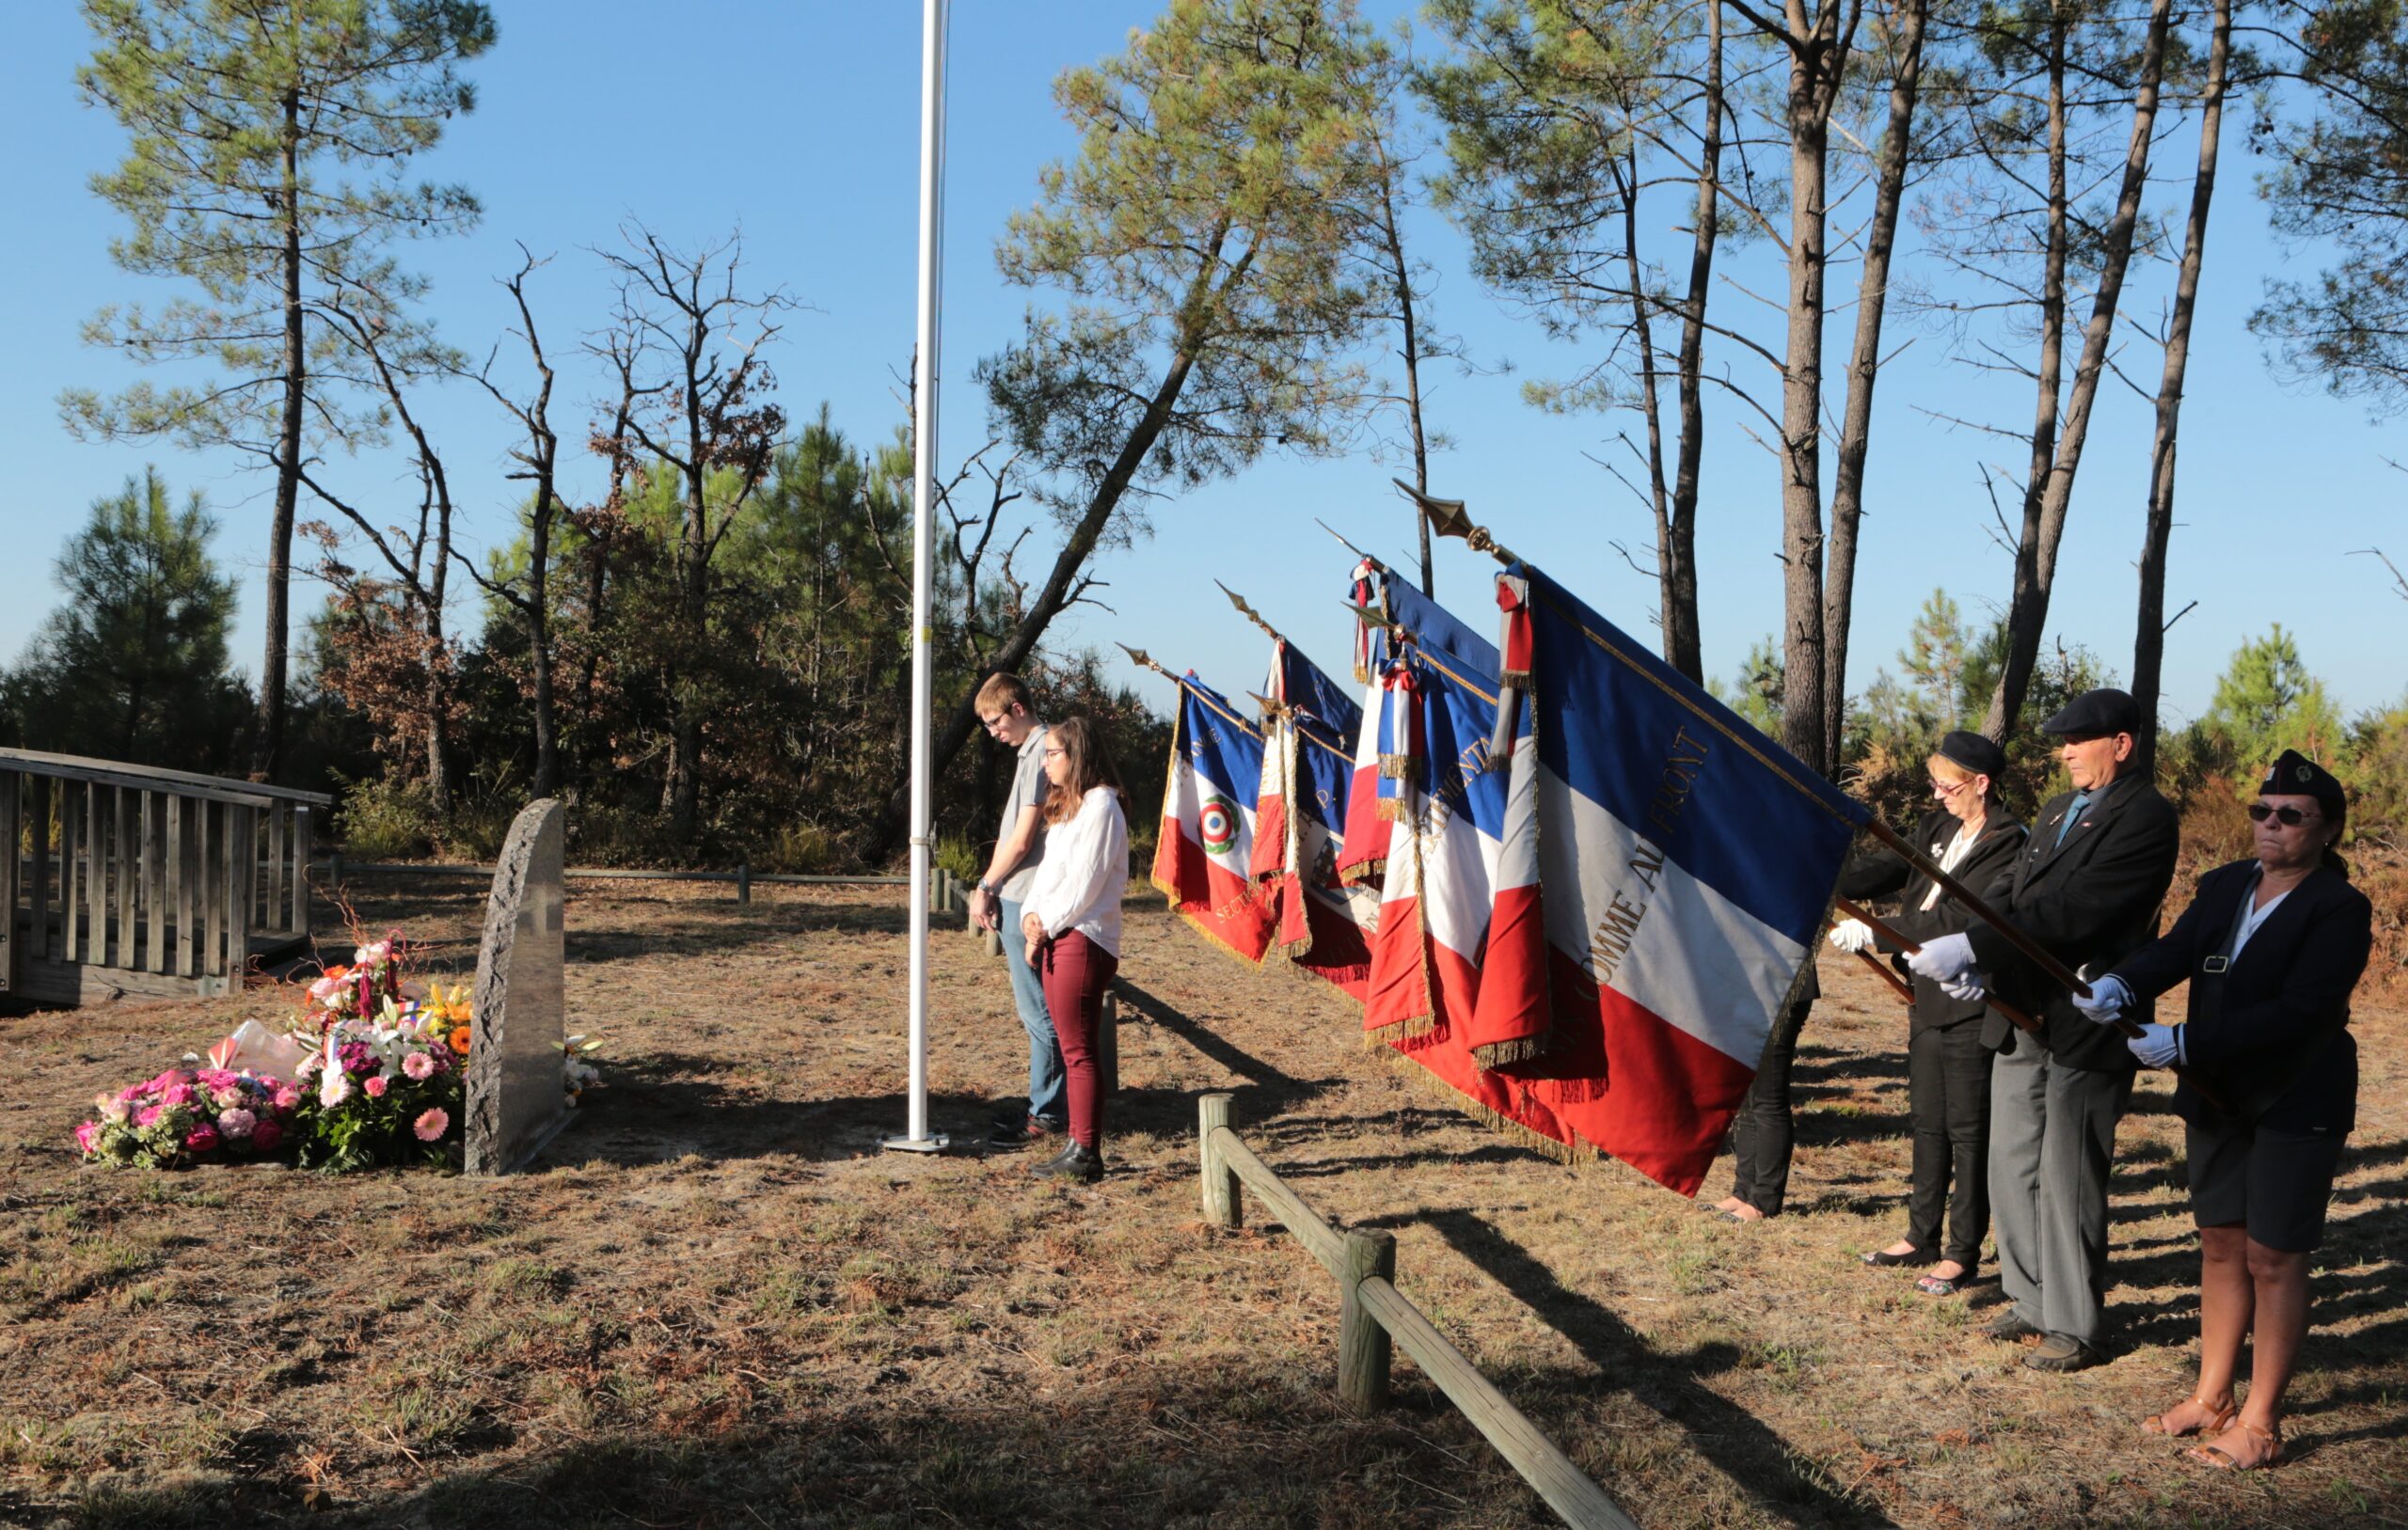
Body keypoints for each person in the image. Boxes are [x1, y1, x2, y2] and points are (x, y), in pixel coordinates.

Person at [2074, 751, 2370, 1470]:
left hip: (2296, 1093)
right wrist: (2119, 980)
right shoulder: (2227, 882)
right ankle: (2212, 1396)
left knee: (2274, 1254)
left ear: (2325, 829)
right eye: (2262, 811)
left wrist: (2185, 1040)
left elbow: (2303, 1011)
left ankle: (2262, 1421)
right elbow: (2175, 950)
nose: (2272, 825)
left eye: (2291, 815)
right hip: (2218, 1094)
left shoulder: (2340, 908)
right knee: (2219, 1241)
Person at [1905, 687, 2178, 1372]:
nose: (2063, 752)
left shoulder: (2144, 816)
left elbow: (2076, 910)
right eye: (2061, 741)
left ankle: (2075, 1321)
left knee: (2067, 1175)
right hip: (2021, 1006)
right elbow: (2014, 893)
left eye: (2077, 741)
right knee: (2011, 1159)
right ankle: (2027, 1295)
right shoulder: (2058, 811)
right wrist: (1975, 943)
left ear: (2121, 743)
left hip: (2086, 1014)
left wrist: (1979, 949)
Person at [1830, 731, 2027, 1296]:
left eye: (1948, 785)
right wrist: (1822, 874)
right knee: (1928, 1121)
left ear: (1981, 784)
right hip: (1926, 998)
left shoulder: (2008, 841)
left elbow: (1964, 920)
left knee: (1968, 1129)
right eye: (1935, 784)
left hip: (1972, 998)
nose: (1938, 795)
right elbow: (1887, 868)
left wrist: (1880, 932)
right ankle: (1922, 1234)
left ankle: (1963, 1251)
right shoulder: (1937, 827)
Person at [1018, 715, 1131, 1184]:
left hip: (1082, 939)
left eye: (1053, 754)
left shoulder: (1103, 806)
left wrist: (1045, 927)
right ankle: (1077, 1142)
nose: (1045, 764)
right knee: (1072, 1048)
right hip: (1058, 936)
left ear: (1076, 755)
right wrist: (1030, 915)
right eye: (1044, 754)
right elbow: (1049, 875)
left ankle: (1086, 1151)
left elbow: (1085, 882)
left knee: (1079, 1050)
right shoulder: (1071, 807)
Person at [966, 675, 1067, 1150]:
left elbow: (1024, 839)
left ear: (1018, 708)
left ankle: (1047, 1113)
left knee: (1039, 1011)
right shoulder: (1034, 752)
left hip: (1026, 896)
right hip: (1016, 892)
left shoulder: (1045, 750)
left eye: (994, 721)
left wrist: (988, 884)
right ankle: (1040, 1105)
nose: (992, 732)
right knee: (1035, 1010)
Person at [1712, 977, 1815, 1222]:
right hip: (1746, 985)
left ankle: (1764, 1200)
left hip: (1781, 985)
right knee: (1748, 1098)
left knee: (1768, 1097)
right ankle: (1744, 1190)